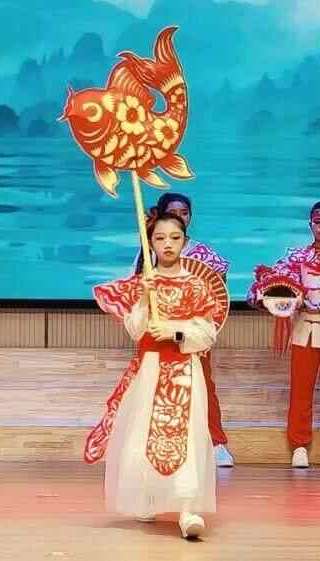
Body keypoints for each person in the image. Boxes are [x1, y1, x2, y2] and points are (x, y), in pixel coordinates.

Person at [86, 213, 226, 539]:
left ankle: (187, 507)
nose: (167, 245)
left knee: (188, 435)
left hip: (184, 371)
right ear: (150, 243)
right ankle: (147, 497)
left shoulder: (196, 285)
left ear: (185, 242)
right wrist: (143, 300)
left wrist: (176, 331)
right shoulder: (144, 283)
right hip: (149, 369)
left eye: (174, 238)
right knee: (143, 432)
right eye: (160, 238)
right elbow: (135, 330)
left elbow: (208, 333)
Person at [248, 201, 320, 469]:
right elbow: (276, 283)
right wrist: (268, 294)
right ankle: (299, 445)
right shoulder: (295, 257)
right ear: (310, 224)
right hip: (303, 333)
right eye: (317, 222)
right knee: (300, 391)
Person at [135, 193, 234, 467]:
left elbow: (219, 289)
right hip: (157, 334)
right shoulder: (148, 252)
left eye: (185, 212)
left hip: (191, 332)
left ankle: (216, 442)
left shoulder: (203, 253)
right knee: (153, 391)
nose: (180, 216)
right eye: (173, 211)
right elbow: (136, 291)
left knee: (203, 387)